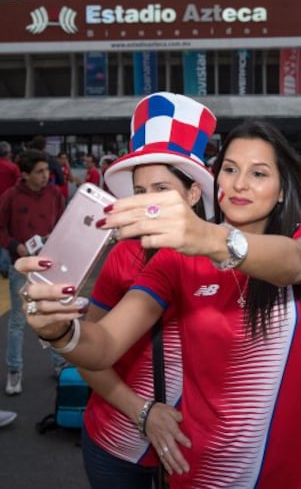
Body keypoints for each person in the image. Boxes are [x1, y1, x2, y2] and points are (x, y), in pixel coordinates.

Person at [17, 118, 301, 488]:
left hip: (296, 475)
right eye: (230, 169)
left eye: (259, 173)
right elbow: (103, 346)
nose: (239, 183)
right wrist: (59, 332)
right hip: (205, 474)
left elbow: (298, 261)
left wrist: (211, 237)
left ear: (283, 191)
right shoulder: (175, 261)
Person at [79, 93, 215, 488]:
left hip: (199, 453)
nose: (148, 203)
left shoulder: (229, 259)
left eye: (161, 188)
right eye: (140, 192)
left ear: (193, 194)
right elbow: (88, 354)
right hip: (115, 444)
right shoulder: (124, 256)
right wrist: (143, 412)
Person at [0, 149, 66, 395]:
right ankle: (14, 370)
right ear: (25, 175)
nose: (46, 176)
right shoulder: (10, 196)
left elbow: (62, 222)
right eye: (40, 172)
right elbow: (1, 228)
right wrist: (14, 245)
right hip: (21, 265)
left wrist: (56, 239)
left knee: (52, 316)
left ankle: (59, 364)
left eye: (47, 170)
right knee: (18, 320)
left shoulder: (54, 194)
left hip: (48, 266)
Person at [0, 141, 21, 278]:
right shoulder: (12, 168)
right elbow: (19, 186)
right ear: (8, 154)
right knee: (6, 234)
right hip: (8, 205)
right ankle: (4, 265)